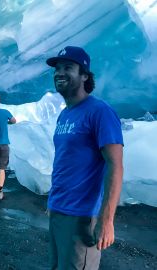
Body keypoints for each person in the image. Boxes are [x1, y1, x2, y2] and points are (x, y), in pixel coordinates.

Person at [46, 46, 124, 269]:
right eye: (57, 68)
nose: (59, 73)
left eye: (68, 67)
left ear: (85, 76)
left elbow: (115, 165)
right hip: (58, 210)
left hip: (82, 217)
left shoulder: (100, 112)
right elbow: (66, 160)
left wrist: (106, 220)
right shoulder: (65, 114)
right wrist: (53, 200)